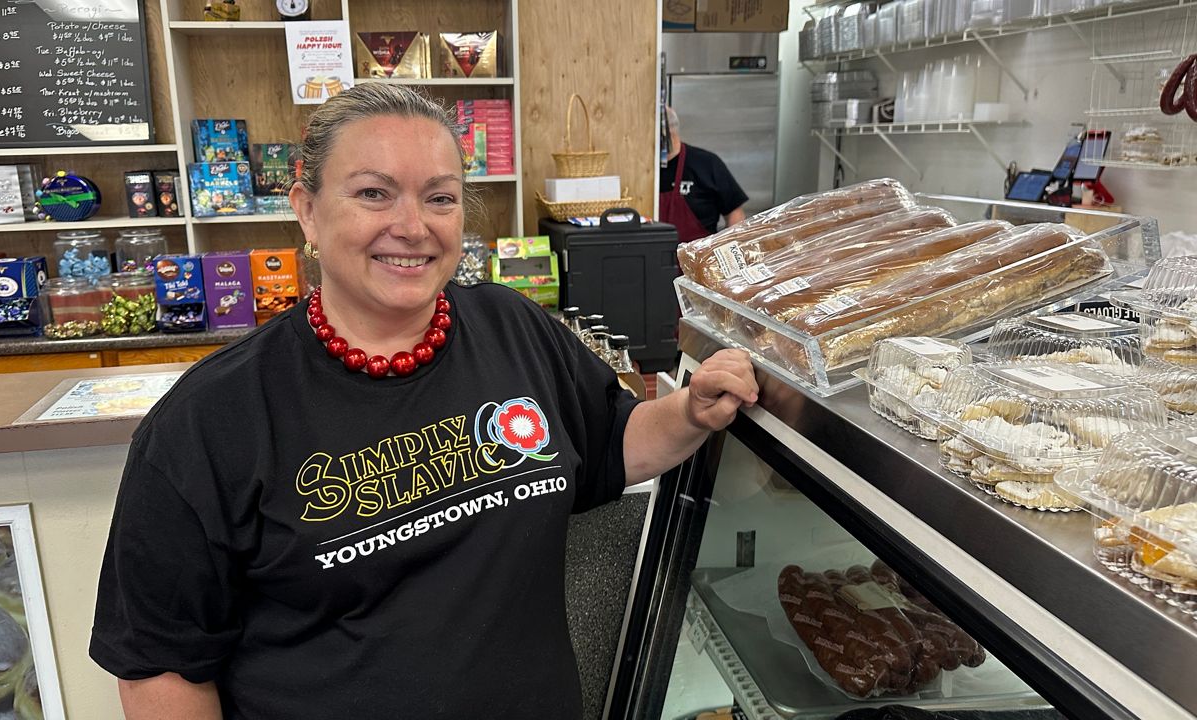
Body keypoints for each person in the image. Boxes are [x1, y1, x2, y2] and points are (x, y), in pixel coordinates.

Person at [89, 83, 758, 720]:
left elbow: (610, 442)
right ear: (308, 210)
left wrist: (689, 412)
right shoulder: (209, 419)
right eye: (373, 194)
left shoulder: (512, 326)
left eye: (440, 198)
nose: (412, 227)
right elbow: (160, 666)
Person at [658, 106, 749, 242]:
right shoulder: (641, 169)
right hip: (649, 254)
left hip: (699, 254)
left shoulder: (706, 163)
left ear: (669, 132)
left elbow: (735, 214)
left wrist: (727, 246)